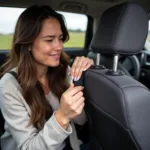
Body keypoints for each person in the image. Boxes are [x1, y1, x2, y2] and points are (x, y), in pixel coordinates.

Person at [0, 5, 94, 150]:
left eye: (60, 38)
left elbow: (81, 120)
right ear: (28, 43)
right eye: (49, 40)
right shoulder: (9, 85)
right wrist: (62, 116)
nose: (59, 47)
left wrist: (87, 74)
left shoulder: (64, 71)